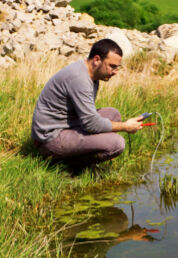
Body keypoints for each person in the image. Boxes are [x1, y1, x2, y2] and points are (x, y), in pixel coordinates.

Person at [31, 39, 143, 169]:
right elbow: (91, 124)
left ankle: (72, 158)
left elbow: (88, 119)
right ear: (96, 60)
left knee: (113, 114)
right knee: (117, 144)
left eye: (117, 67)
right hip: (49, 138)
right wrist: (126, 127)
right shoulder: (80, 79)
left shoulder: (92, 75)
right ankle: (68, 166)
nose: (115, 72)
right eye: (112, 66)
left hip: (68, 124)